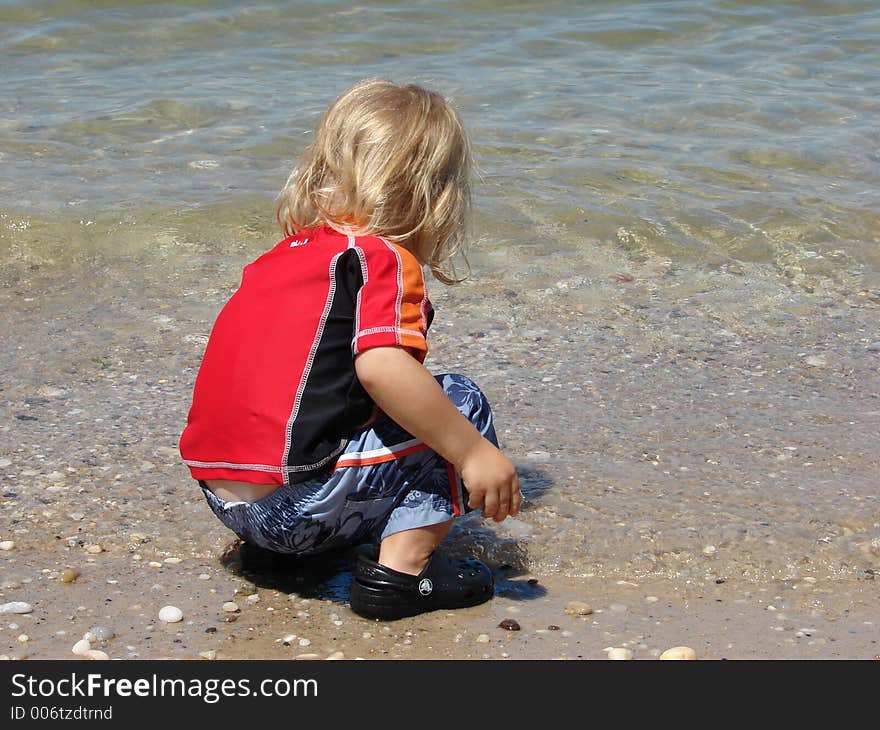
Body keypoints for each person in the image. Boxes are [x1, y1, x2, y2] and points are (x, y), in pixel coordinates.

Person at [179, 78, 521, 620]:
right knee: (459, 401)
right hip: (299, 513)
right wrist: (475, 454)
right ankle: (402, 575)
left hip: (227, 503)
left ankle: (280, 553)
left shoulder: (283, 258)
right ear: (435, 194)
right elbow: (381, 367)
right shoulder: (380, 259)